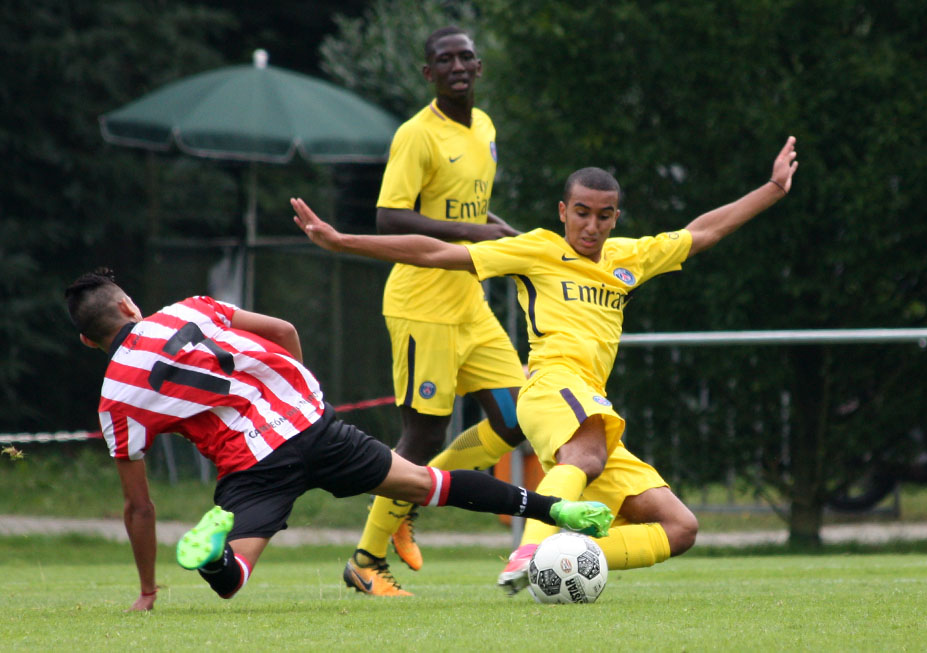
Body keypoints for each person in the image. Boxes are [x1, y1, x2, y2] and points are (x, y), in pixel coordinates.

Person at [291, 135, 800, 595]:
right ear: (562, 210)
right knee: (586, 452)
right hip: (553, 388)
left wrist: (774, 188)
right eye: (581, 212)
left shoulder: (629, 258)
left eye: (604, 215)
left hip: (589, 407)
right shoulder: (537, 249)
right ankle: (530, 550)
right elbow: (438, 251)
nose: (591, 225)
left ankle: (566, 560)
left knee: (679, 527)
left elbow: (703, 232)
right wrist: (343, 241)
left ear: (617, 217)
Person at [63, 268, 614, 611]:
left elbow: (138, 507)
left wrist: (148, 591)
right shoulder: (190, 309)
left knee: (231, 579)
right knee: (430, 483)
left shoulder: (115, 399)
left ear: (91, 342)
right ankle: (555, 508)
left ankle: (210, 557)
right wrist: (301, 407)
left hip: (252, 466)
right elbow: (284, 332)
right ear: (129, 306)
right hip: (315, 426)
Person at [348, 25, 530, 595]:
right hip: (421, 306)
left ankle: (409, 502)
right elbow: (388, 218)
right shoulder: (417, 135)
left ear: (479, 67)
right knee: (421, 434)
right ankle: (365, 561)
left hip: (469, 303)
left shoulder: (484, 128)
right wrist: (471, 232)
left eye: (466, 56)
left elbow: (480, 214)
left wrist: (531, 249)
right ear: (428, 74)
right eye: (444, 59)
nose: (457, 65)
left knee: (517, 417)